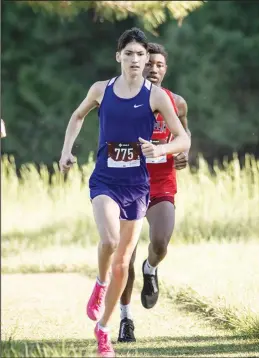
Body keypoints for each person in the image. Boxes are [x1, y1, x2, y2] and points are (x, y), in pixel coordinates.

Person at [59, 28, 190, 357]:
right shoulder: (101, 90)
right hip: (104, 181)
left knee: (123, 264)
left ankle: (103, 330)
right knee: (111, 241)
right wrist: (66, 152)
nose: (135, 59)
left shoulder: (156, 97)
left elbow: (183, 138)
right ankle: (100, 286)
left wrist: (158, 152)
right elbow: (77, 116)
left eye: (140, 55)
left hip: (138, 186)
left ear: (147, 60)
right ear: (119, 56)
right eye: (129, 53)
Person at [117, 42, 191, 343]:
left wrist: (184, 154)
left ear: (165, 69)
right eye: (149, 64)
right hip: (127, 186)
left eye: (160, 65)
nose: (154, 69)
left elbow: (183, 134)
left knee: (160, 243)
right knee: (125, 257)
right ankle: (125, 320)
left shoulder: (177, 102)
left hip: (162, 184)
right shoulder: (120, 98)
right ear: (138, 64)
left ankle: (151, 269)